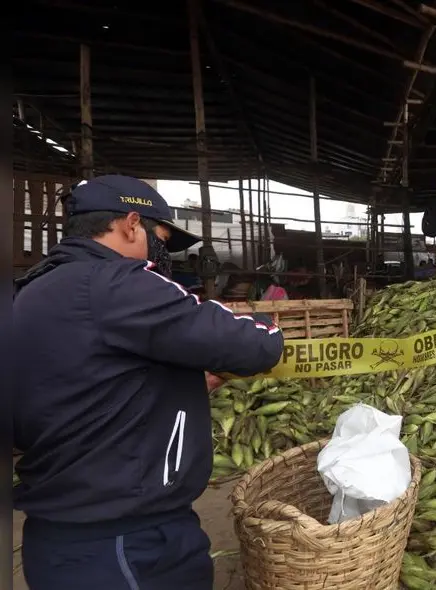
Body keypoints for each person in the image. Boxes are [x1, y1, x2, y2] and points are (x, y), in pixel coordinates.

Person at [12, 175, 286, 590]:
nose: (161, 254)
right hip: (125, 544)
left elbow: (91, 382)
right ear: (130, 224)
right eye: (160, 237)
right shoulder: (114, 281)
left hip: (69, 532)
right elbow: (248, 344)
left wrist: (178, 383)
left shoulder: (35, 290)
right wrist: (268, 327)